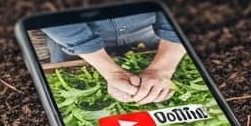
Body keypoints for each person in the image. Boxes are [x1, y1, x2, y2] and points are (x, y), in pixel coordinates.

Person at [42, 14, 187, 104]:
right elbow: (53, 15)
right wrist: (112, 73)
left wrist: (162, 69)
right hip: (72, 41)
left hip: (149, 30)